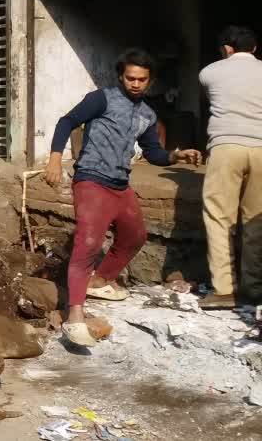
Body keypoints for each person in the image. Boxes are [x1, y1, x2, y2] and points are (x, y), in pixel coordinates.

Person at [44, 48, 202, 347]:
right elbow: (66, 122)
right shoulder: (101, 99)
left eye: (142, 79)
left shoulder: (147, 113)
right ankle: (74, 315)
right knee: (88, 243)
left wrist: (175, 155)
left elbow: (153, 153)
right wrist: (54, 159)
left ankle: (100, 281)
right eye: (130, 78)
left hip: (120, 184)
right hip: (91, 179)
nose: (136, 84)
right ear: (121, 76)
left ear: (150, 81)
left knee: (135, 236)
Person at [198, 26, 262, 310]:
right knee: (256, 219)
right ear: (255, 49)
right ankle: (254, 287)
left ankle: (225, 289)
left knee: (219, 217)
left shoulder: (210, 72)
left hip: (226, 147)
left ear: (227, 49)